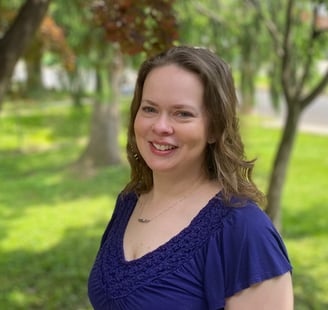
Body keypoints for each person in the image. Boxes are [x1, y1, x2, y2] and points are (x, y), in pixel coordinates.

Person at [88, 46, 293, 309]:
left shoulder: (245, 232)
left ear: (214, 129)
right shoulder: (130, 201)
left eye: (182, 114)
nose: (160, 126)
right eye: (150, 109)